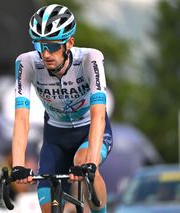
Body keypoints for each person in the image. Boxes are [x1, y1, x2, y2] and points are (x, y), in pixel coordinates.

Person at [10, 4, 113, 213]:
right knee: (48, 206)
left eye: (53, 46)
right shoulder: (26, 62)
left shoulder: (90, 59)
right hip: (55, 137)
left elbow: (98, 115)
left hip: (89, 130)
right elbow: (21, 118)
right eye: (40, 46)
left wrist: (91, 164)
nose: (46, 53)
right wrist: (18, 165)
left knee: (83, 162)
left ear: (70, 43)